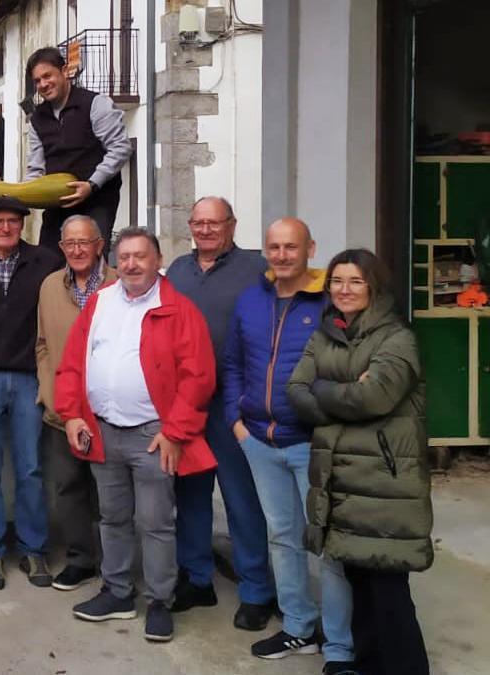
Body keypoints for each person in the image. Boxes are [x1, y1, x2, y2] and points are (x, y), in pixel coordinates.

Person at [54, 227, 216, 644]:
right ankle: (118, 592)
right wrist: (72, 415)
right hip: (104, 430)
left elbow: (198, 378)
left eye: (140, 256)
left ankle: (159, 601)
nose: (131, 264)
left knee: (156, 521)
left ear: (158, 259)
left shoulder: (178, 309)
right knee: (112, 517)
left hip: (153, 435)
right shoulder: (100, 302)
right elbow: (73, 363)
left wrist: (175, 432)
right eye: (124, 256)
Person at [288, 249, 433, 675]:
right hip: (341, 483)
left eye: (355, 281)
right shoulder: (326, 334)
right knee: (360, 590)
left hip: (383, 485)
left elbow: (377, 396)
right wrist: (346, 393)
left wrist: (326, 391)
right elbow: (297, 391)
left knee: (389, 595)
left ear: (373, 286)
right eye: (337, 281)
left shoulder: (396, 338)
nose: (344, 290)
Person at [222, 218, 355, 671]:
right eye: (274, 248)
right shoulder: (251, 300)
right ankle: (299, 626)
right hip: (259, 441)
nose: (281, 256)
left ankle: (339, 646)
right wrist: (236, 422)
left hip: (312, 445)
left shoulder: (325, 304)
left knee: (329, 544)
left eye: (290, 247)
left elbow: (346, 371)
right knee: (282, 537)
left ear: (309, 248)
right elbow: (233, 364)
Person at [165, 196, 276, 630]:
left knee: (241, 499)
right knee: (190, 496)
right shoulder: (177, 271)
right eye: (199, 222)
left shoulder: (257, 269)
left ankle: (255, 590)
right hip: (188, 403)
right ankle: (196, 579)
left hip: (235, 404)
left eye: (215, 223)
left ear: (232, 225)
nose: (206, 230)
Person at [0, 196, 63, 591]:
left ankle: (33, 548)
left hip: (27, 378)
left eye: (13, 221)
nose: (5, 228)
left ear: (23, 224)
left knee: (31, 468)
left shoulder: (45, 262)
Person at [35, 215, 116, 592]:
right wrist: (51, 397)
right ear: (62, 247)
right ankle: (80, 560)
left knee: (111, 491)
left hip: (109, 410)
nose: (78, 250)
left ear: (100, 244)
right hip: (63, 409)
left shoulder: (120, 284)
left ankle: (115, 565)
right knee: (68, 487)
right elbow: (43, 346)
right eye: (70, 244)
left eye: (85, 242)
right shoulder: (51, 285)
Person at [25, 47, 132, 253]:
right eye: (37, 81)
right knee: (48, 261)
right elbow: (36, 169)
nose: (43, 85)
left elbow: (120, 148)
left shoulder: (96, 104)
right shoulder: (37, 119)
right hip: (56, 203)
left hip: (97, 200)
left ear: (64, 71)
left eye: (47, 76)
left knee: (91, 259)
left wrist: (92, 184)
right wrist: (21, 195)